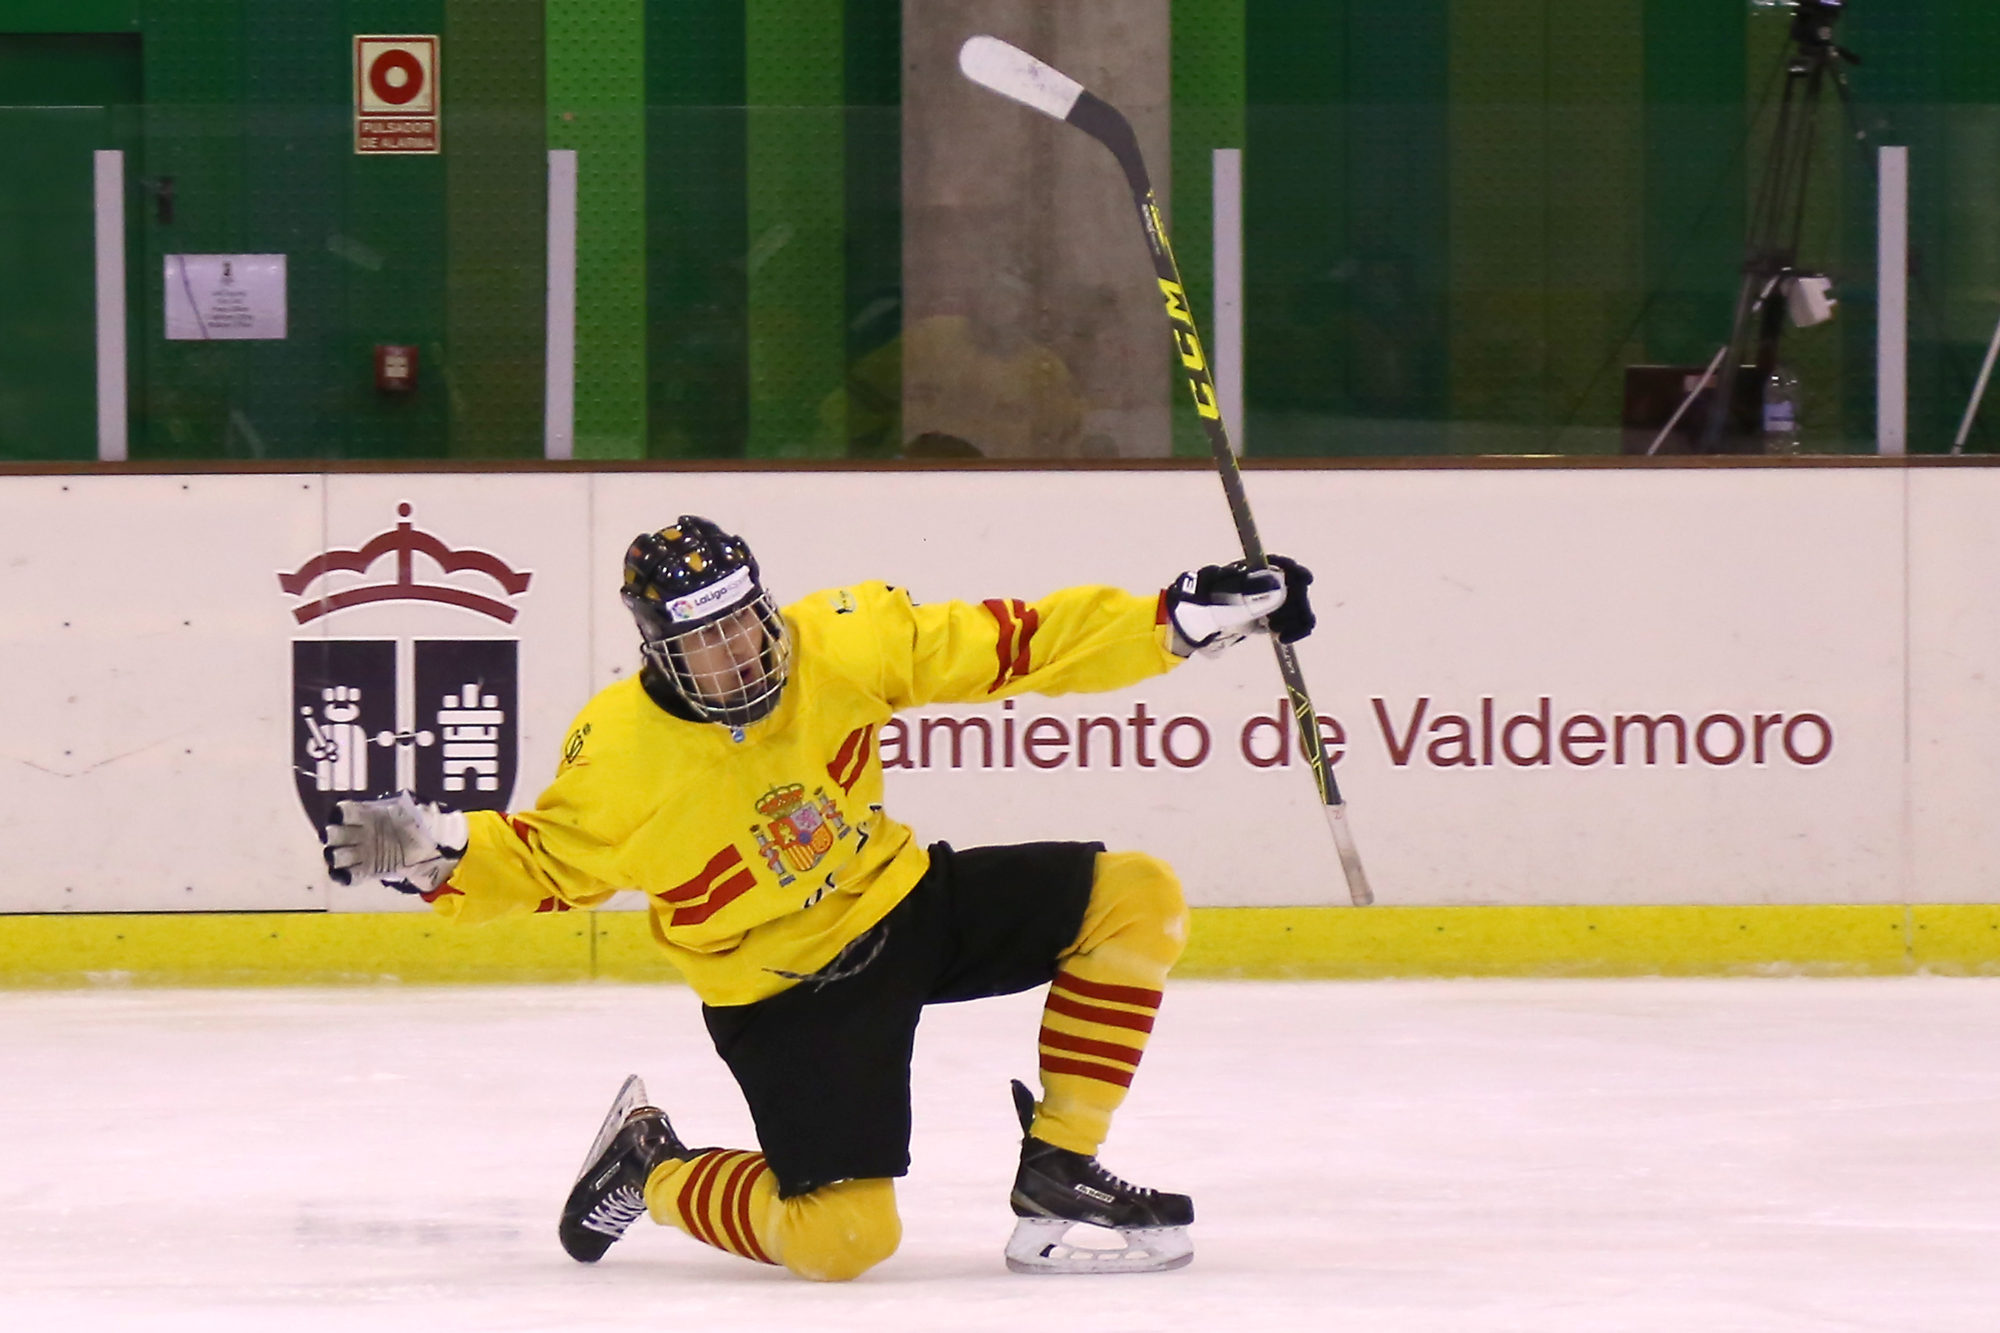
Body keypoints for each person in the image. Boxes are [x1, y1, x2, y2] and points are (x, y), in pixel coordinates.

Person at [323, 515, 1315, 1280]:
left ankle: (1060, 1169)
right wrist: (433, 854)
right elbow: (543, 868)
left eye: (748, 625)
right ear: (659, 654)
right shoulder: (621, 757)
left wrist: (1174, 620)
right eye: (706, 644)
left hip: (902, 900)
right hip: (784, 991)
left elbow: (1014, 644)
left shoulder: (839, 638)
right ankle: (648, 1164)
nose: (742, 656)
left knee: (1133, 894)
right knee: (842, 1240)